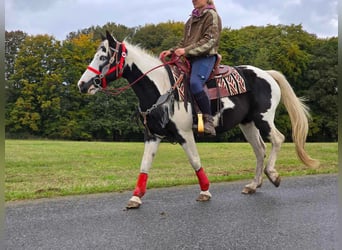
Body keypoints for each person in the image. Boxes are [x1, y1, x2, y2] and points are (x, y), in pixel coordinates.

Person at [160, 0, 222, 136]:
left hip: (205, 57)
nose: (193, 0)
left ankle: (208, 121)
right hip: (189, 58)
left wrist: (185, 51)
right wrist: (171, 51)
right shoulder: (191, 19)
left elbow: (210, 40)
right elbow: (185, 42)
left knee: (195, 83)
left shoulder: (211, 15)